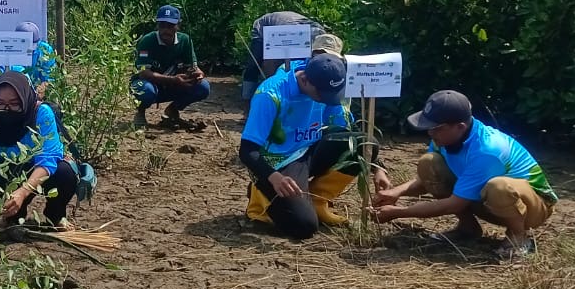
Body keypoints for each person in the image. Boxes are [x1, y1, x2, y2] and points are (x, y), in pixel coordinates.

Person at [374, 90, 558, 259]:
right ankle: (467, 228)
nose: (430, 133)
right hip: (489, 201)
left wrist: (399, 212)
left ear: (460, 127)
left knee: (499, 187)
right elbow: (427, 181)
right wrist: (396, 192)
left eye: (436, 128)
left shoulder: (487, 150)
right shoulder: (444, 139)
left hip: (534, 207)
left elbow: (454, 204)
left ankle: (518, 236)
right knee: (429, 163)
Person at [238, 54, 391, 238]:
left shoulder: (326, 90)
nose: (328, 100)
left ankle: (318, 200)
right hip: (279, 162)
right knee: (303, 226)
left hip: (312, 149)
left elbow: (350, 130)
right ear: (304, 79)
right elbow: (247, 150)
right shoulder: (270, 95)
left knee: (366, 144)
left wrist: (378, 167)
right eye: (323, 95)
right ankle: (260, 194)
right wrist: (274, 177)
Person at [0, 72, 77, 230]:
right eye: (0, 103)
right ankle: (13, 217)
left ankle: (55, 216)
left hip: (39, 171)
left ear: (25, 98)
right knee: (11, 214)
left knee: (64, 173)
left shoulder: (41, 113)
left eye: (14, 103)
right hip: (9, 174)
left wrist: (23, 191)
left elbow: (48, 159)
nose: (7, 110)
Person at [131, 5, 210, 129]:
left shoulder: (185, 40)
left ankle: (173, 109)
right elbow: (143, 73)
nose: (166, 30)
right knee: (144, 89)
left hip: (173, 84)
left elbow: (193, 66)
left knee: (203, 86)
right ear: (157, 25)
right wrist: (173, 80)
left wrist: (198, 74)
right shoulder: (147, 41)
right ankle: (140, 111)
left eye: (170, 26)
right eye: (162, 25)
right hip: (151, 84)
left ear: (178, 25)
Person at [240, 11, 325, 103]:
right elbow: (270, 63)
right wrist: (273, 85)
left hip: (289, 26)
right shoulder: (295, 36)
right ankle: (247, 97)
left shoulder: (320, 36)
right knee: (254, 63)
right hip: (265, 28)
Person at [12, 22, 60, 97]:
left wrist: (43, 87)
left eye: (33, 44)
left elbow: (50, 75)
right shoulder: (9, 50)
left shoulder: (45, 50)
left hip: (40, 95)